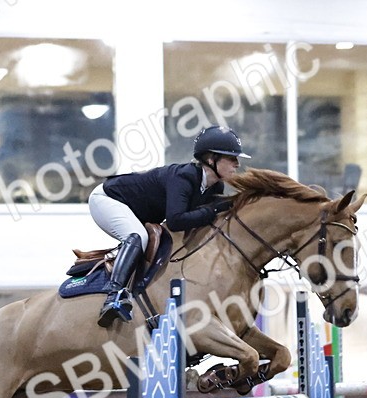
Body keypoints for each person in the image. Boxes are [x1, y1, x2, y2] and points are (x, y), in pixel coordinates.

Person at [88, 125, 251, 327]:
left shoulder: (215, 186)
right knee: (139, 236)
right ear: (211, 159)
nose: (237, 163)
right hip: (108, 199)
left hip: (135, 210)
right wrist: (215, 209)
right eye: (231, 158)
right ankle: (113, 297)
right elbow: (175, 221)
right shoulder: (184, 177)